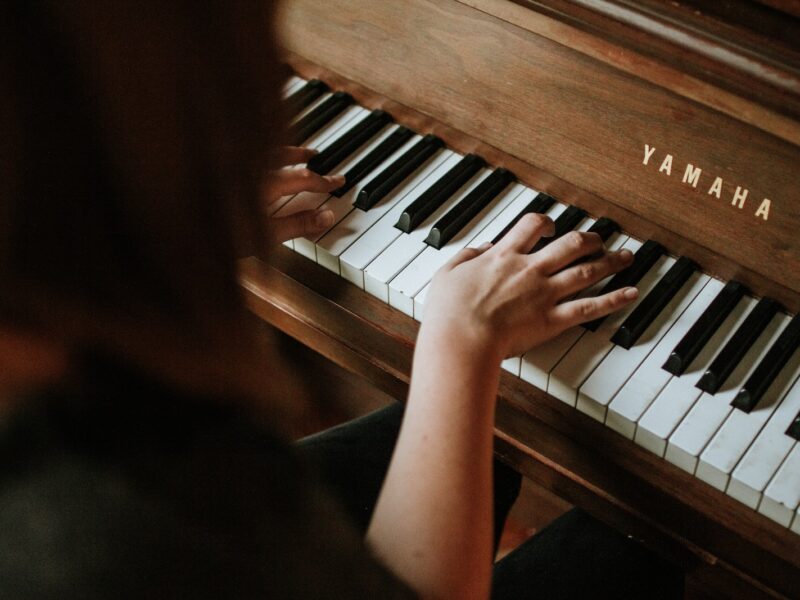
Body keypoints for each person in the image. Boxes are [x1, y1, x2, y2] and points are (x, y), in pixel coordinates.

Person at [0, 2, 683, 598]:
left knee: (512, 444)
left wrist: (168, 235)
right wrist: (460, 341)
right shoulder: (87, 533)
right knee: (639, 541)